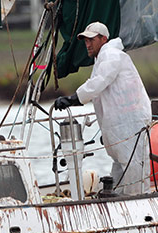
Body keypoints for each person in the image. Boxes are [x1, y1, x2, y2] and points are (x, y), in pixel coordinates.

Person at [54, 22, 151, 195]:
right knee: (122, 164)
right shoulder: (102, 59)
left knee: (134, 164)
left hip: (130, 123)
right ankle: (119, 198)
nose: (87, 44)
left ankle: (138, 199)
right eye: (85, 40)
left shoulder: (112, 55)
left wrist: (73, 99)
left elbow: (99, 83)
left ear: (103, 39)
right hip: (119, 125)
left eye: (91, 39)